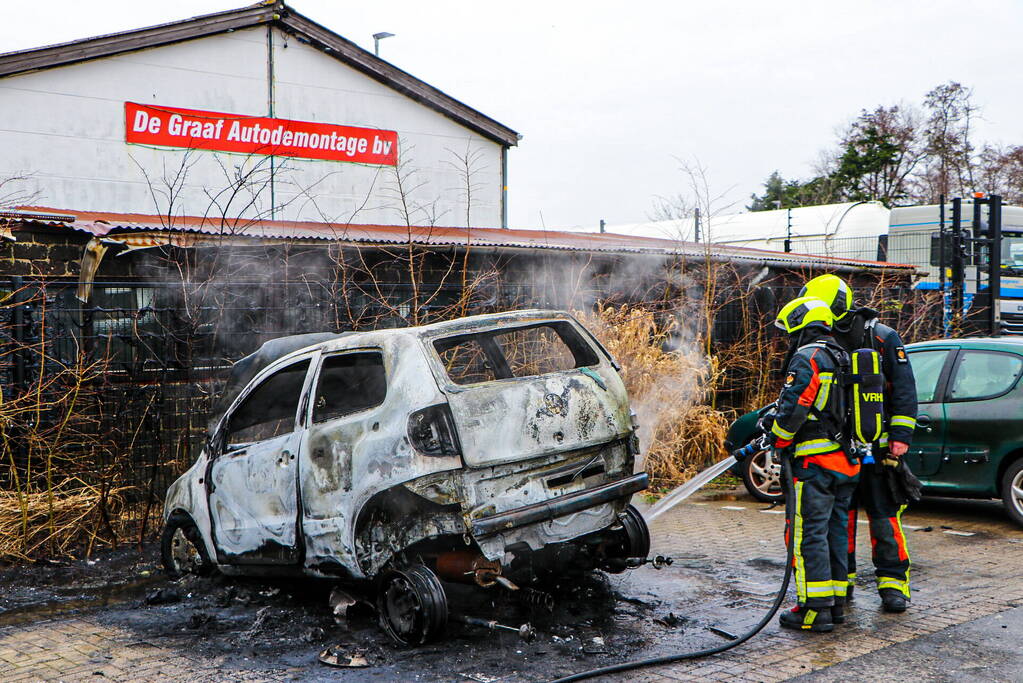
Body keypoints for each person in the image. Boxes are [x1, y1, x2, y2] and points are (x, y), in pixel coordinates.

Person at [799, 274, 918, 613]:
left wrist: (900, 438)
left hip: (879, 449)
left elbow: (904, 388)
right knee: (841, 519)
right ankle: (842, 583)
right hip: (837, 449)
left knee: (884, 517)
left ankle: (893, 585)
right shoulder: (821, 340)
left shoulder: (882, 337)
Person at [770, 296, 860, 632]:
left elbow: (796, 406)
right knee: (835, 534)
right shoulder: (842, 354)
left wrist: (778, 438)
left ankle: (812, 611)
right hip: (845, 462)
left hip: (815, 463)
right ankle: (834, 606)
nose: (789, 339)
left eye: (790, 332)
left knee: (809, 536)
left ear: (801, 325)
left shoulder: (808, 357)